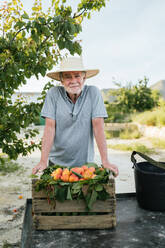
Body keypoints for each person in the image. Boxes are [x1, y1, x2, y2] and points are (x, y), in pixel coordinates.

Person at [32, 56, 119, 176]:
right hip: (56, 164)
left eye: (77, 76)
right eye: (68, 76)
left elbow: (98, 128)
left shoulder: (93, 93)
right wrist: (43, 161)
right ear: (61, 80)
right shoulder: (53, 94)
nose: (73, 81)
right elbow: (49, 128)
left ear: (84, 78)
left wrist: (105, 161)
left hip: (85, 165)